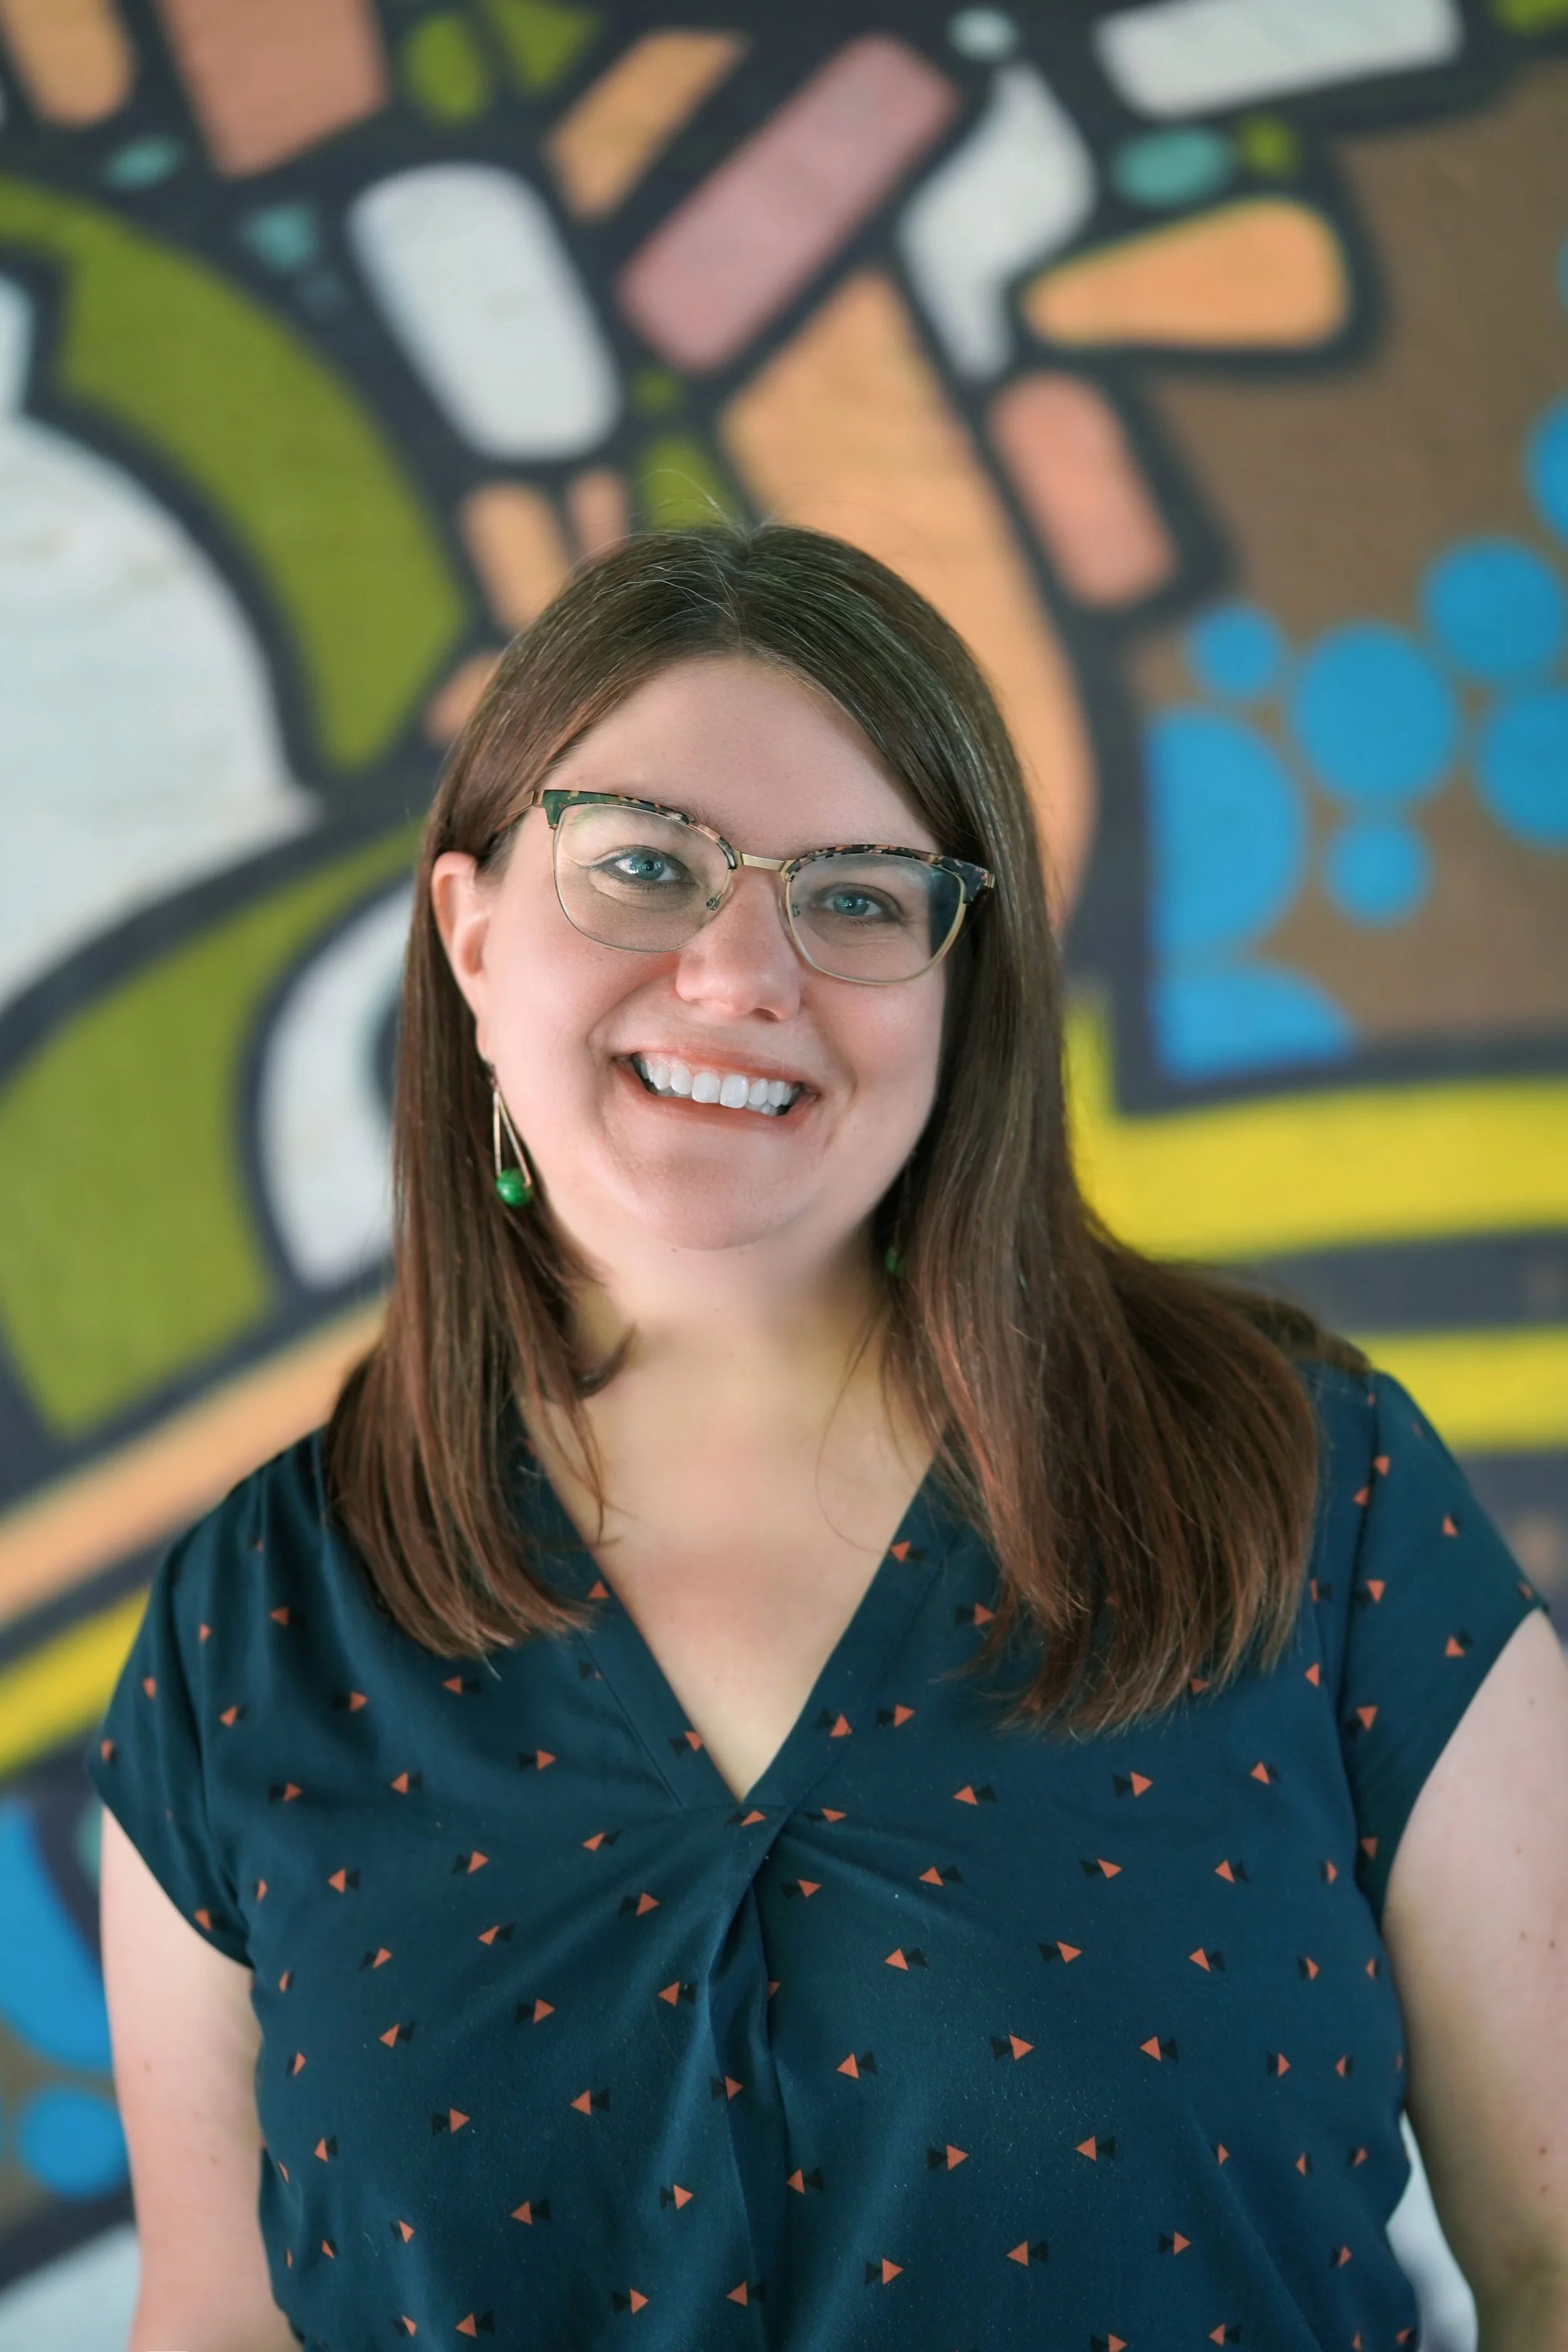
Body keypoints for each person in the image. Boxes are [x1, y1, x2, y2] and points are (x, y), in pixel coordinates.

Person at [90, 527, 1568, 2352]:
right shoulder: (250, 1625)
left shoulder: (1312, 1491)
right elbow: (214, 2323)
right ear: (470, 934)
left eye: (859, 898)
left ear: (962, 986)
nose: (740, 972)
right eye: (644, 865)